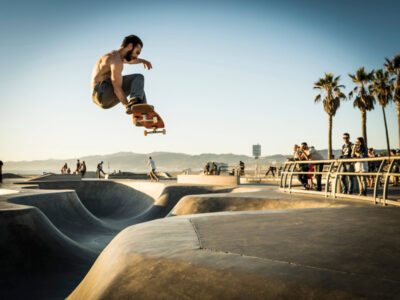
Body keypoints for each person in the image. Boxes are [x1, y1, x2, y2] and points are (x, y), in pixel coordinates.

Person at [91, 35, 152, 114]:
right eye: (137, 52)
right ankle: (136, 105)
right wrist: (128, 106)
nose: (137, 56)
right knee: (138, 78)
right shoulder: (115, 60)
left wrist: (143, 61)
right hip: (102, 92)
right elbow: (117, 89)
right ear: (130, 46)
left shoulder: (113, 57)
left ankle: (142, 115)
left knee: (137, 86)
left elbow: (130, 61)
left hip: (99, 97)